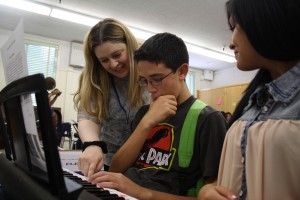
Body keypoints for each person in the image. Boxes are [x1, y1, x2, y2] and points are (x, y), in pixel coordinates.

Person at [88, 32, 227, 199]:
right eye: (144, 80)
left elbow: (209, 196)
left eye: (156, 79)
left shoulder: (207, 119)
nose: (150, 89)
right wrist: (146, 123)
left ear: (182, 72)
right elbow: (116, 168)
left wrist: (141, 192)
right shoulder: (144, 113)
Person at [198, 0, 300, 199]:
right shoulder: (255, 101)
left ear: (268, 20)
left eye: (236, 27)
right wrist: (207, 191)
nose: (231, 43)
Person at [73, 18, 149, 176]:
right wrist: (93, 145)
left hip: (147, 161)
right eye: (104, 60)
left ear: (129, 45)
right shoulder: (94, 78)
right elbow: (88, 116)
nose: (113, 64)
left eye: (117, 54)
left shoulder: (149, 68)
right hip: (111, 163)